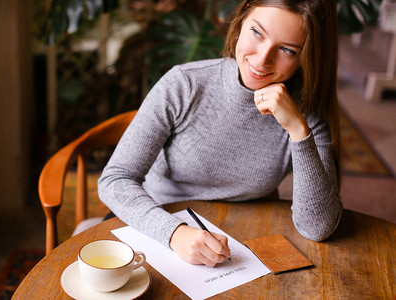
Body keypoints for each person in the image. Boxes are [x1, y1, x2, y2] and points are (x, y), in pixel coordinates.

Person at [98, 0, 342, 267]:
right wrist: (174, 233)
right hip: (159, 228)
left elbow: (317, 228)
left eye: (287, 50)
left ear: (306, 57)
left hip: (238, 246)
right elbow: (114, 180)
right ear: (239, 24)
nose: (262, 59)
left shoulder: (304, 116)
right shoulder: (184, 84)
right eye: (257, 33)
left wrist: (298, 130)